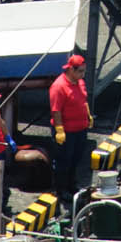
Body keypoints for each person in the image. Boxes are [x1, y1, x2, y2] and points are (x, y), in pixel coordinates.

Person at [47, 53, 92, 202]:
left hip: (80, 129)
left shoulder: (80, 82)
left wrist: (88, 115)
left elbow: (83, 100)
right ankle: (61, 190)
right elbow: (56, 111)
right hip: (67, 132)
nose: (83, 74)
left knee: (76, 158)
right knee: (63, 161)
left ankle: (72, 185)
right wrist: (60, 130)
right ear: (71, 70)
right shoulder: (58, 87)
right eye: (80, 71)